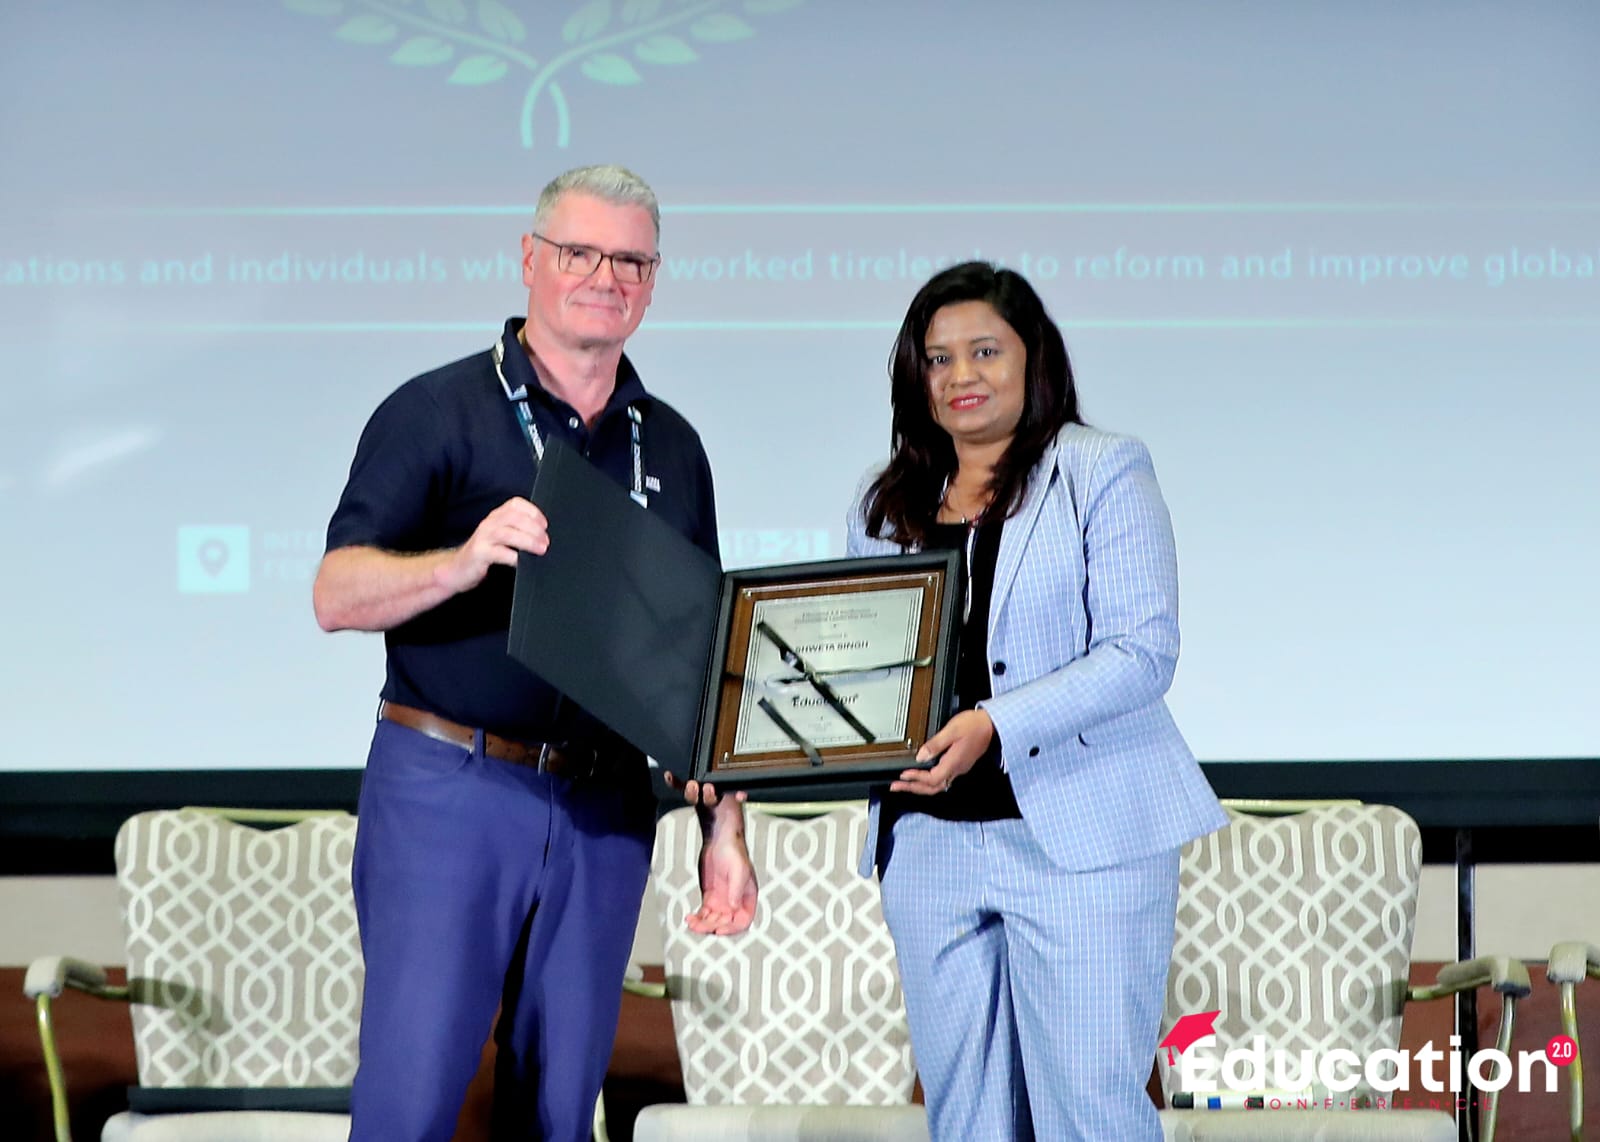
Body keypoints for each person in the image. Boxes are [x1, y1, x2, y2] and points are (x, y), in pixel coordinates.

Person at [312, 164, 757, 1142]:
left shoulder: (672, 445)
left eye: (631, 258)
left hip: (605, 805)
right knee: (411, 1097)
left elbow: (701, 659)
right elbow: (333, 594)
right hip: (450, 782)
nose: (606, 274)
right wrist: (461, 562)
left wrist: (725, 827)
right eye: (580, 251)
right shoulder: (436, 410)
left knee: (560, 1108)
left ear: (653, 276)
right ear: (529, 259)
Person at [845, 261, 1226, 1141]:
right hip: (931, 843)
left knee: (1087, 1112)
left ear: (1033, 360)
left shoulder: (1101, 467)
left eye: (985, 351)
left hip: (1078, 839)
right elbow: (863, 666)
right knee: (965, 1119)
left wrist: (992, 724)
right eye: (938, 360)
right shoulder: (886, 500)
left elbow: (1142, 651)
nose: (961, 376)